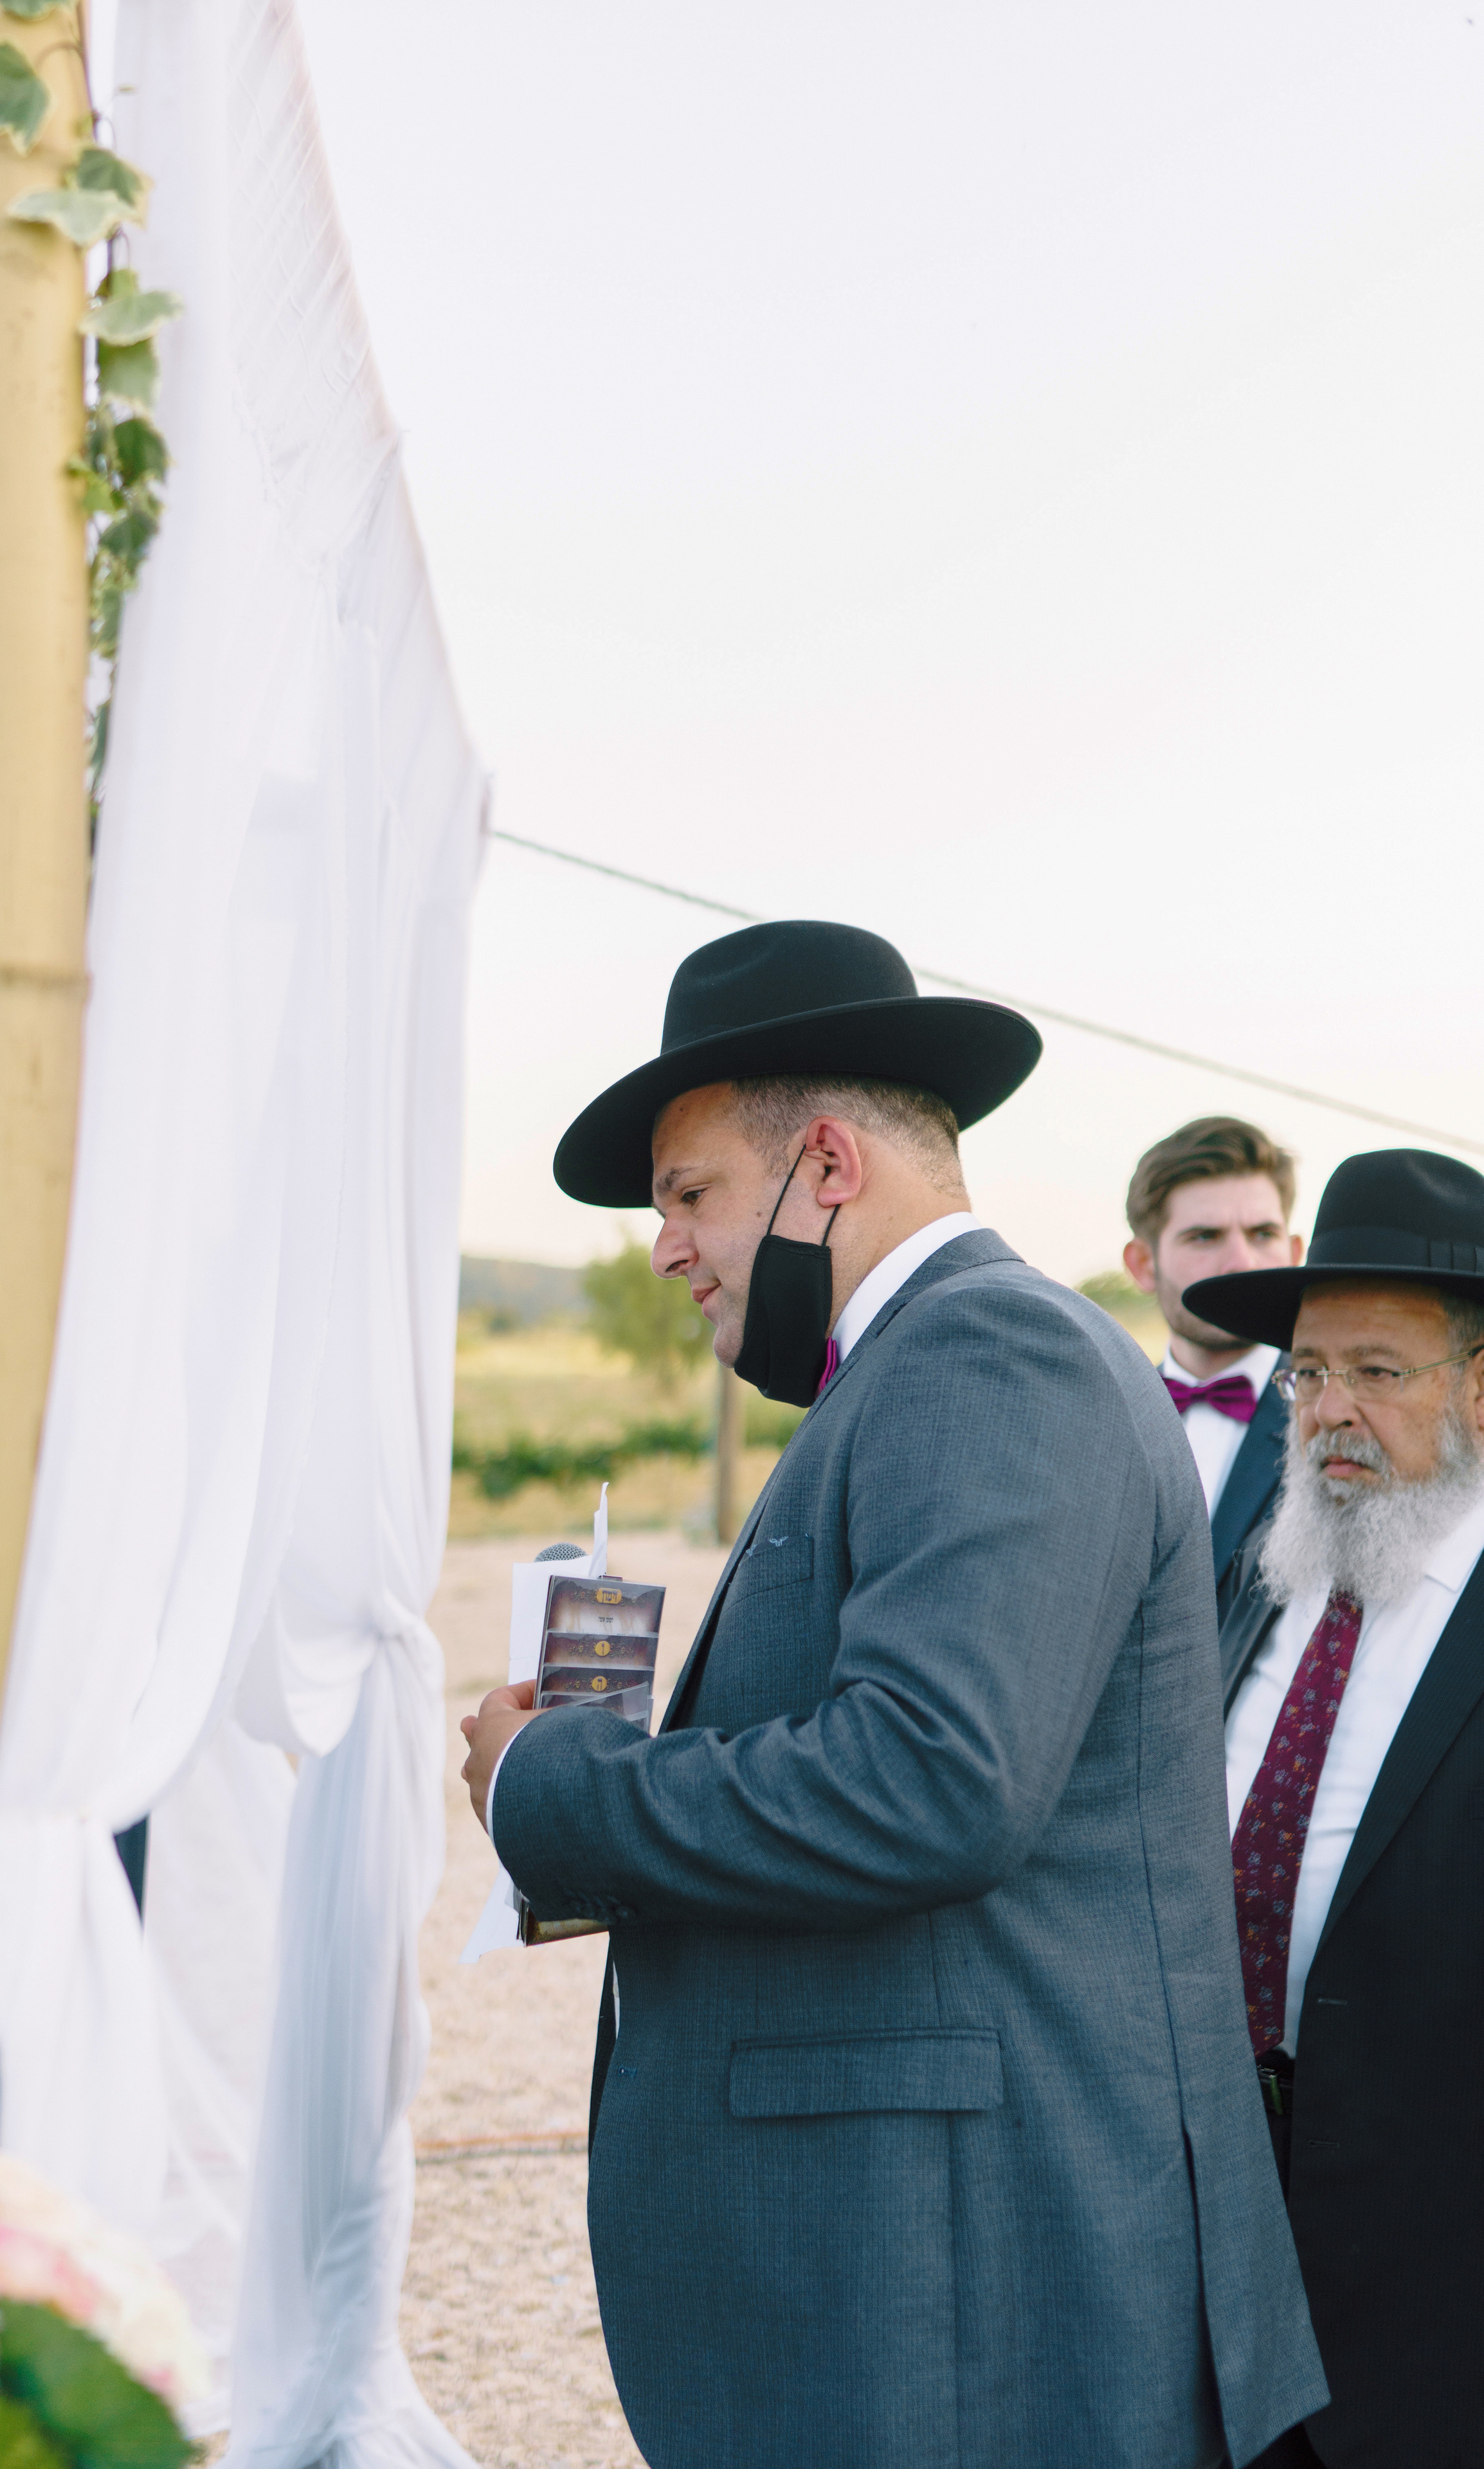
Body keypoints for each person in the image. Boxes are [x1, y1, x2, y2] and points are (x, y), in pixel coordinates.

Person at [461, 919, 1324, 2469]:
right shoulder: (919, 1367)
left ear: (828, 1169)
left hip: (967, 2291)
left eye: (686, 1193)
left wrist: (554, 1779)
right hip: (931, 2272)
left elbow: (924, 1781)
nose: (664, 1246)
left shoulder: (985, 1351)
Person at [1183, 1147, 1484, 2469]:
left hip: (1435, 2294)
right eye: (1307, 1372)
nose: (1324, 1412)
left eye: (1376, 1370)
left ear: (1480, 1386)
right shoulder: (1254, 1579)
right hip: (1207, 2249)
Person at [1123, 1118, 1303, 1614]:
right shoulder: (1100, 1418)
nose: (1241, 1262)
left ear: (1294, 1254)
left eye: (1263, 1233)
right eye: (1205, 1237)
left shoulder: (1334, 1414)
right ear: (1142, 1264)